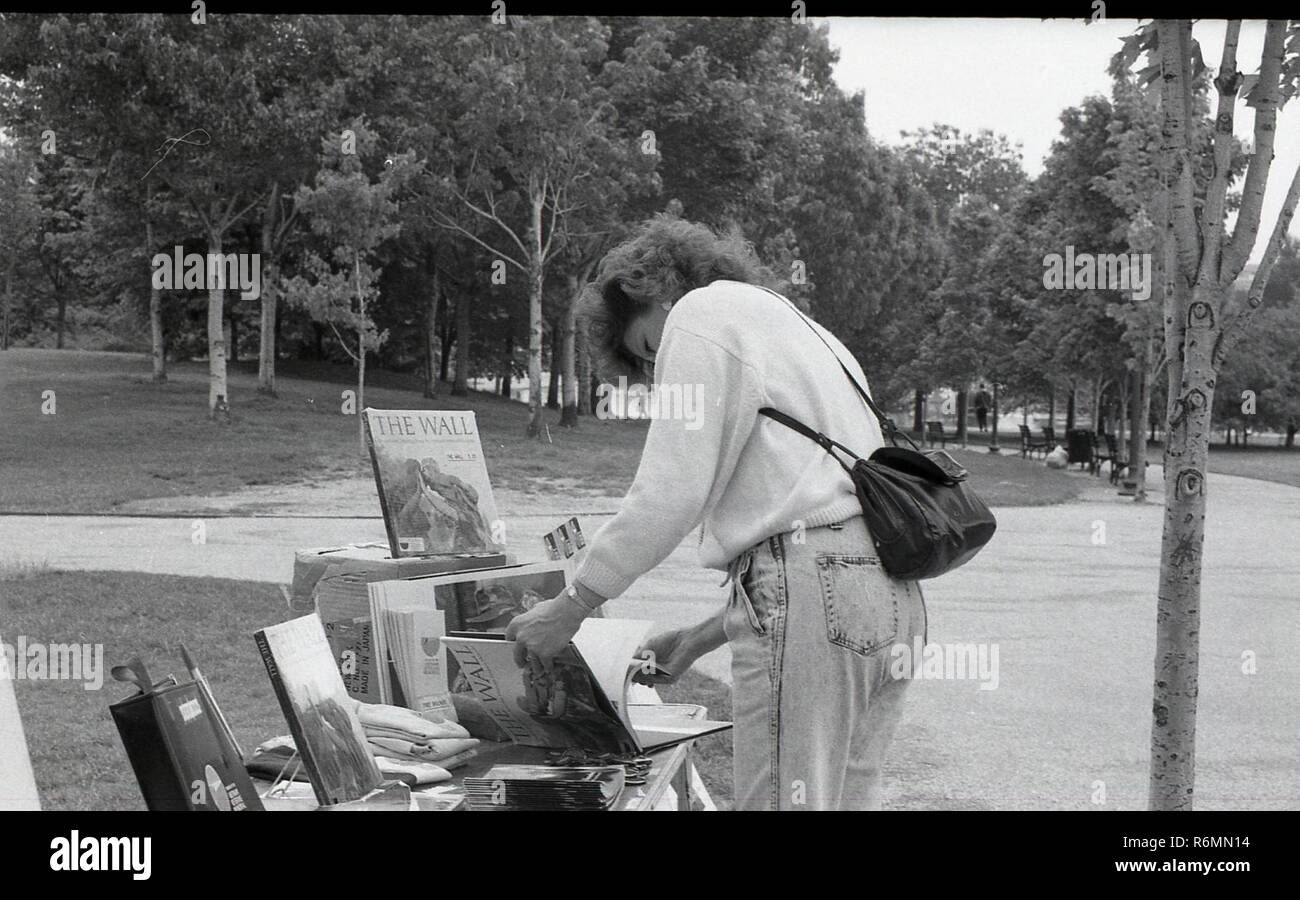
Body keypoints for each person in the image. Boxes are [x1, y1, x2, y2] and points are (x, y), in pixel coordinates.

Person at [505, 216, 926, 811]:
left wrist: (574, 605)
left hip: (819, 593)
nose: (657, 370)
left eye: (649, 350)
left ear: (648, 290)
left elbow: (670, 494)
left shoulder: (696, 316)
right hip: (894, 595)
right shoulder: (811, 334)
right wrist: (706, 636)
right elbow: (820, 515)